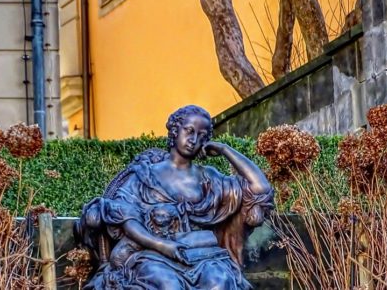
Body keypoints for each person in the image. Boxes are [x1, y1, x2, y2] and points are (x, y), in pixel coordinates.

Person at [77, 105, 274, 289]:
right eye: (189, 131)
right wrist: (164, 246)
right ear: (174, 130)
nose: (194, 139)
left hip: (202, 256)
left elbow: (260, 188)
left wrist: (225, 150)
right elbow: (127, 220)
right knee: (169, 285)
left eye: (201, 135)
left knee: (220, 282)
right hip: (151, 254)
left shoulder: (211, 179)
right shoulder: (144, 176)